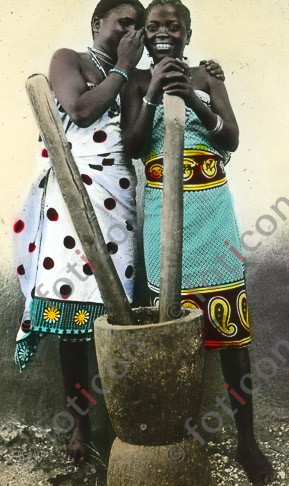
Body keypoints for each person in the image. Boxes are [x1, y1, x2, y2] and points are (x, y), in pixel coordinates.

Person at [13, 0, 224, 465]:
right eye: (122, 22)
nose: (131, 30)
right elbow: (83, 110)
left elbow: (135, 137)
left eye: (137, 25)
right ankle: (78, 426)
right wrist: (125, 68)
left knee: (116, 317)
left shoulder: (138, 78)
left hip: (119, 200)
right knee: (72, 317)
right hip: (72, 201)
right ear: (97, 24)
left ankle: (117, 422)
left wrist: (203, 72)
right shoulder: (70, 59)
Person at [121, 0, 274, 484]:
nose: (163, 32)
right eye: (153, 27)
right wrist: (152, 96)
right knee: (171, 335)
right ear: (144, 37)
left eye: (173, 25)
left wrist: (192, 95)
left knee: (233, 337)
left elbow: (229, 138)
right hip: (164, 225)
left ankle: (245, 440)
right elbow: (131, 146)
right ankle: (180, 437)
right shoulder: (137, 84)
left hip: (213, 218)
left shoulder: (208, 79)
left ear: (187, 33)